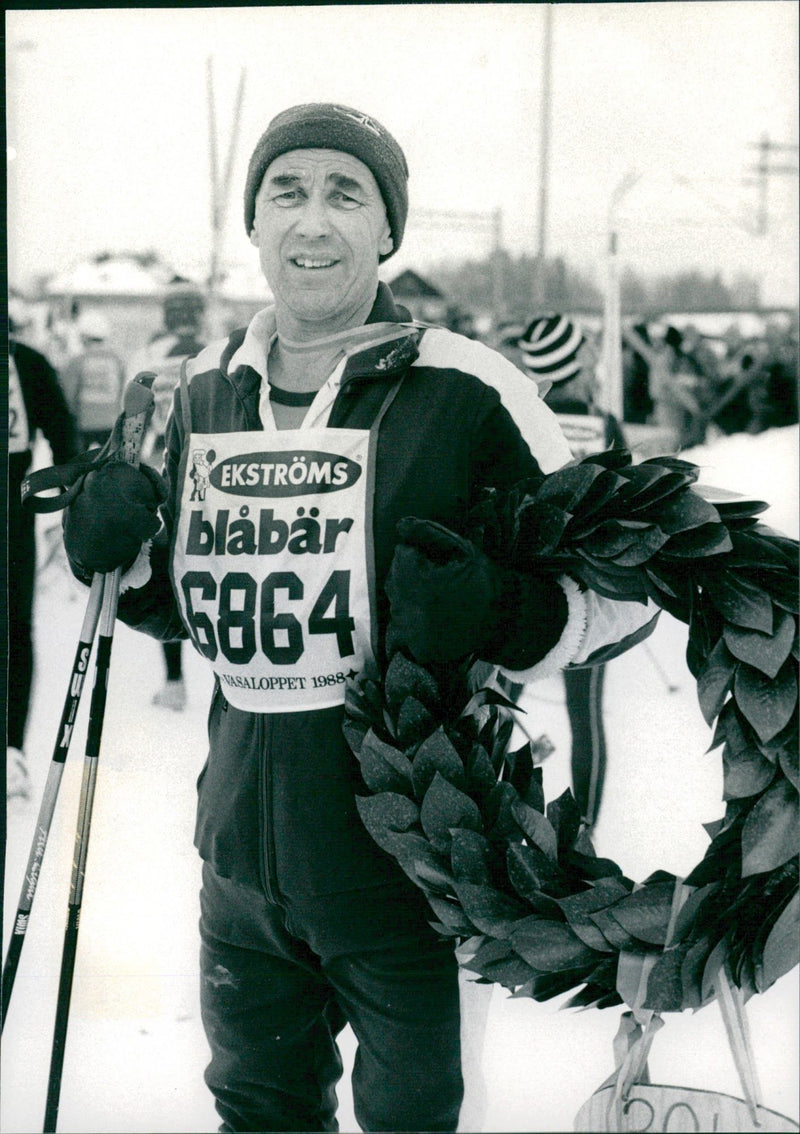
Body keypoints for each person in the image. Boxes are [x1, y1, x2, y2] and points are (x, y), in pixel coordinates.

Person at [62, 102, 659, 1133]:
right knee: (255, 1114)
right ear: (253, 224)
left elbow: (620, 597)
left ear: (388, 230)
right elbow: (203, 607)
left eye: (346, 193)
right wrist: (127, 565)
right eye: (285, 192)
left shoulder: (468, 390)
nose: (311, 219)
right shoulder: (209, 390)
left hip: (405, 870)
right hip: (240, 865)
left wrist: (502, 611)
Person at [517, 314, 628, 829]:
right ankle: (585, 835)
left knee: (498, 707)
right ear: (578, 361)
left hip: (520, 589)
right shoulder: (602, 424)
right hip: (588, 593)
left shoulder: (519, 415)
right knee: (585, 719)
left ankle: (496, 816)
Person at [127, 281, 208, 710]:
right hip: (214, 475)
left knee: (171, 575)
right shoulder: (220, 350)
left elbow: (137, 423)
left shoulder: (152, 354)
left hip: (165, 474)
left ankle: (175, 682)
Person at [7, 324, 80, 802]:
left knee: (14, 629)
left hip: (10, 514)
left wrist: (70, 501)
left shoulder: (26, 362)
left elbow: (63, 435)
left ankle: (10, 752)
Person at [59, 310, 126, 450]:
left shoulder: (77, 361)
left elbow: (68, 394)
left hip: (83, 424)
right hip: (110, 423)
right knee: (109, 465)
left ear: (83, 336)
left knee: (79, 465)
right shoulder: (116, 360)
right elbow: (121, 391)